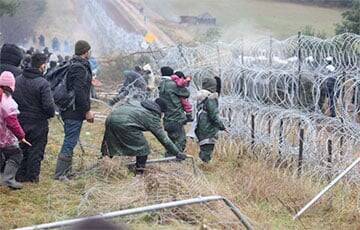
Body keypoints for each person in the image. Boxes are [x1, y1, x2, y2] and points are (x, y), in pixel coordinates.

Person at [101, 98, 186, 174]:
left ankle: (103, 163)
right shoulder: (152, 116)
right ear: (161, 111)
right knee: (143, 149)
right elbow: (164, 139)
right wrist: (177, 152)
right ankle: (139, 172)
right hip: (126, 124)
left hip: (110, 118)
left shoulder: (139, 103)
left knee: (110, 142)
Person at [54, 40, 94, 180]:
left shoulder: (74, 64)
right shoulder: (79, 68)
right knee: (70, 140)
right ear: (85, 52)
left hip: (71, 109)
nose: (90, 53)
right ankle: (60, 174)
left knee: (72, 138)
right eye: (89, 50)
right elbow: (80, 92)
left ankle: (67, 171)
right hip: (73, 110)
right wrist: (87, 110)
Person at [13, 53, 56, 183]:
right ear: (42, 66)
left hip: (20, 121)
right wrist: (49, 115)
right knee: (36, 151)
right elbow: (49, 106)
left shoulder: (17, 79)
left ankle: (19, 175)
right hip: (38, 123)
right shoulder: (43, 83)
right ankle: (32, 177)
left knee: (21, 149)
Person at [0, 71, 31, 189]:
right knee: (16, 155)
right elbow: (13, 123)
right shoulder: (8, 102)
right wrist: (21, 136)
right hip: (4, 136)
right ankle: (8, 179)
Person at [158, 66, 190, 157]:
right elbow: (186, 93)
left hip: (167, 118)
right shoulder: (173, 84)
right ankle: (175, 159)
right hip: (176, 117)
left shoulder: (161, 84)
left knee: (171, 139)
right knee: (181, 140)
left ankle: (168, 157)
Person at [194, 77, 226, 163]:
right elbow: (214, 116)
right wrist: (222, 126)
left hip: (201, 125)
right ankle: (204, 165)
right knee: (207, 148)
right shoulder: (211, 98)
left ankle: (202, 163)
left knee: (203, 146)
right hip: (208, 127)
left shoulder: (201, 97)